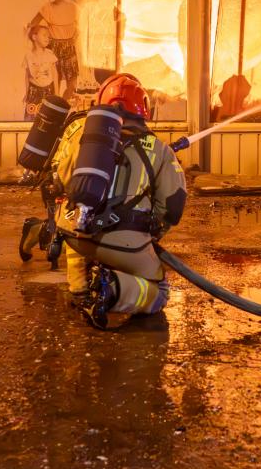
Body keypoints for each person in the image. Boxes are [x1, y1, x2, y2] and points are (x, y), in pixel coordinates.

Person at [51, 72, 187, 328]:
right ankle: (109, 290)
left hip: (72, 232)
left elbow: (61, 180)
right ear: (143, 108)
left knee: (83, 222)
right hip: (122, 242)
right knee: (160, 291)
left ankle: (80, 290)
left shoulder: (86, 138)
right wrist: (150, 234)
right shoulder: (158, 149)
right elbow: (173, 206)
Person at [30, 0, 80, 101]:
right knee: (54, 83)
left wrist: (75, 37)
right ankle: (55, 107)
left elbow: (82, 26)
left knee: (72, 84)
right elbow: (32, 25)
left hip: (69, 47)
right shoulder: (47, 8)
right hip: (54, 48)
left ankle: (62, 105)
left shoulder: (74, 7)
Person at [23, 23, 60, 119]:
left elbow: (55, 74)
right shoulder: (28, 56)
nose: (47, 38)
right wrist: (27, 93)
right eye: (44, 35)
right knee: (31, 116)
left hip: (48, 91)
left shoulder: (50, 54)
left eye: (48, 36)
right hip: (33, 92)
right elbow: (27, 76)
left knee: (48, 117)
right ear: (34, 37)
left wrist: (57, 93)